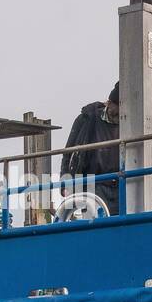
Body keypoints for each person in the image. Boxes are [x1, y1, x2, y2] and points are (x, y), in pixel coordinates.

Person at [61, 82, 121, 214]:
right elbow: (68, 153)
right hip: (93, 184)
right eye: (116, 112)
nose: (118, 117)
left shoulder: (128, 124)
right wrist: (65, 183)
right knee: (93, 224)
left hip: (120, 184)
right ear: (109, 103)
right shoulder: (87, 119)